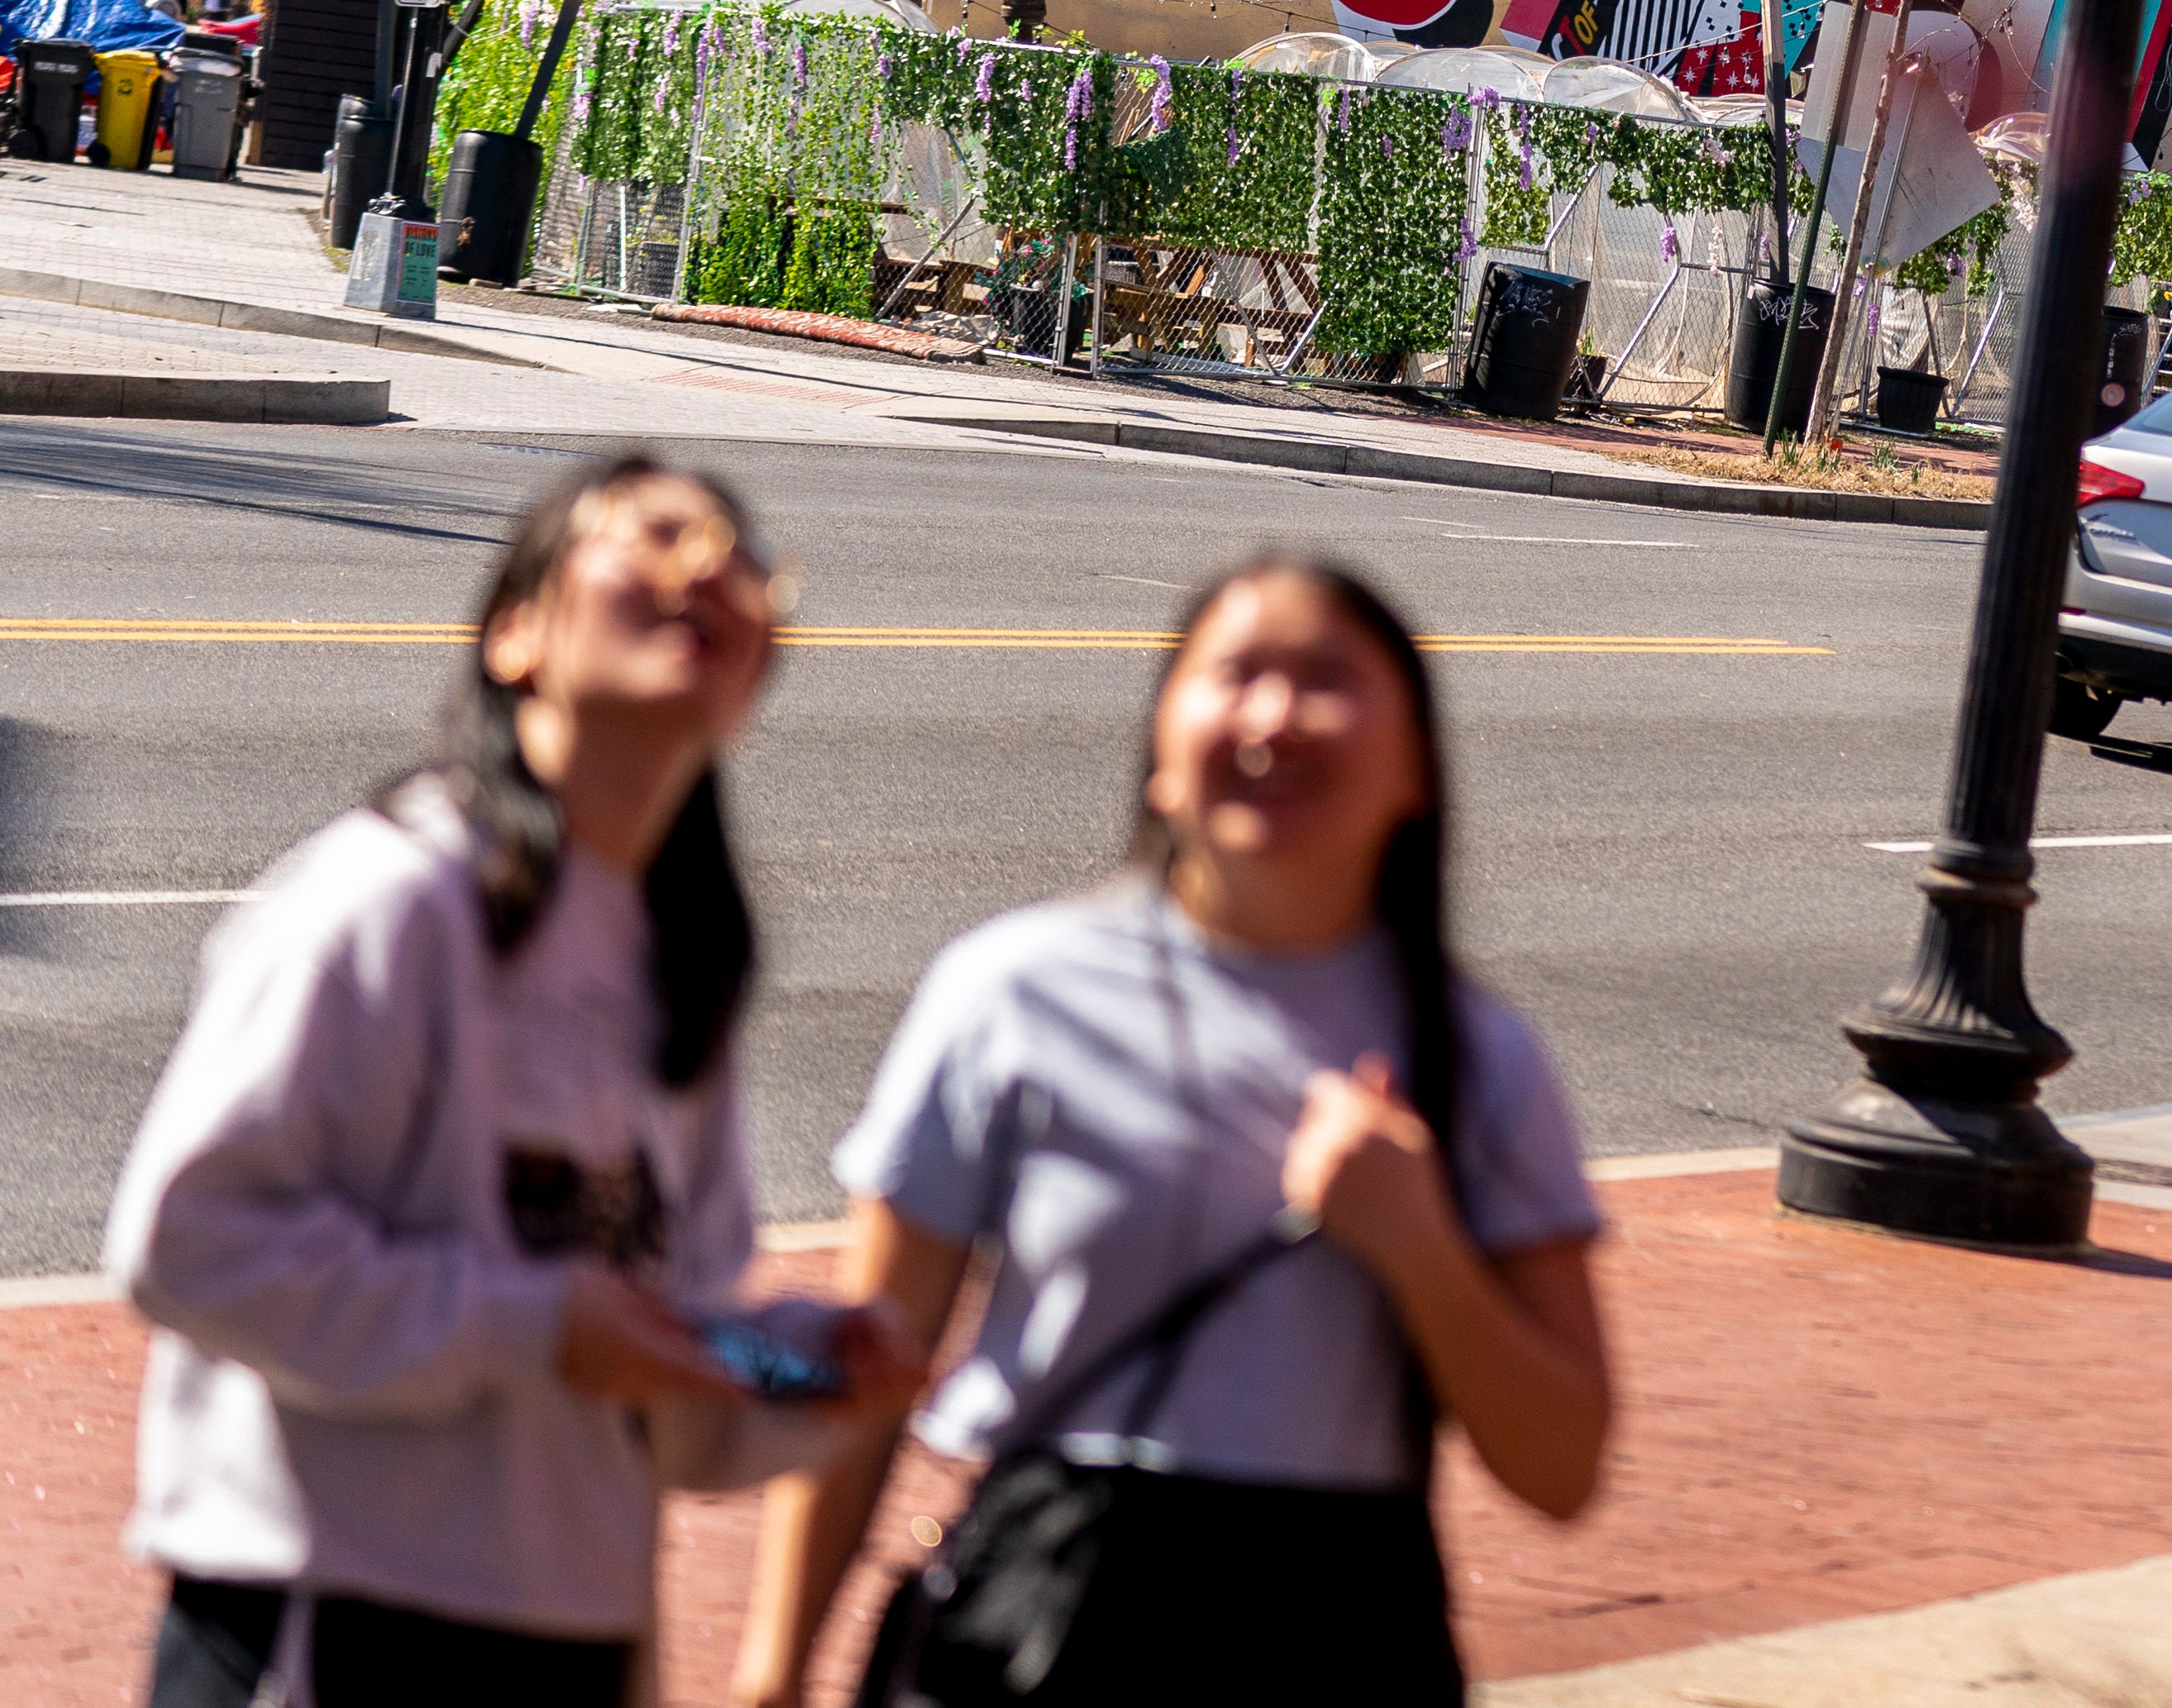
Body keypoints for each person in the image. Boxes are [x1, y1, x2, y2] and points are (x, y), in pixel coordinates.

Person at [107, 456, 911, 1708]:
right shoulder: (392, 897)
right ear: (515, 634)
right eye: (654, 536)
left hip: (568, 1638)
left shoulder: (678, 967)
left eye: (741, 558)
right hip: (330, 1625)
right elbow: (190, 1243)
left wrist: (811, 1374)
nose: (706, 567)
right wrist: (532, 1324)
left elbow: (668, 1389)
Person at [737, 561, 1610, 1708]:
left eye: (1328, 680)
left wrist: (1420, 1246)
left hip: (1343, 1628)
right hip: (1049, 1618)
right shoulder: (1012, 994)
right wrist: (773, 1675)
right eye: (1235, 675)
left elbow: (1561, 1468)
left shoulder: (1476, 1057)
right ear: (1160, 750)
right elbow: (864, 1376)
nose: (1274, 717)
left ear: (1416, 770)